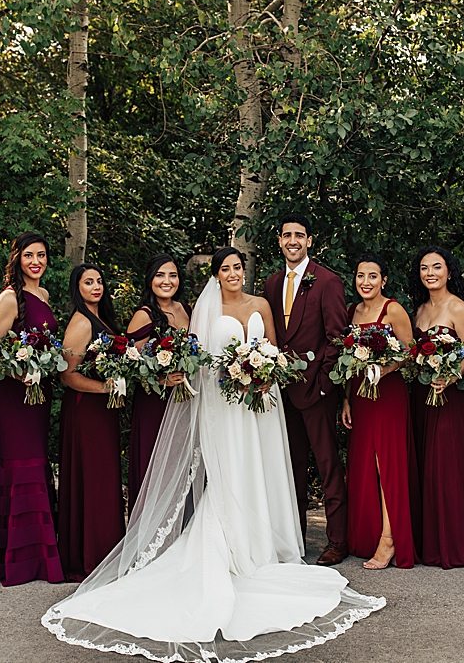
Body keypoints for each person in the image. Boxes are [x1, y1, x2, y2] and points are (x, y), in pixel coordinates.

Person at [42, 247, 385, 661]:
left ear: (245, 271)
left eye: (238, 267)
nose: (233, 273)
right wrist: (234, 375)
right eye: (226, 269)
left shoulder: (261, 303)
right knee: (230, 474)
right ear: (217, 276)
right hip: (224, 406)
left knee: (264, 470)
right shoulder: (204, 309)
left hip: (263, 403)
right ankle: (235, 546)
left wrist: (264, 375)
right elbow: (200, 363)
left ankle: (271, 547)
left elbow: (273, 350)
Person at [262, 214, 351, 566]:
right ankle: (294, 539)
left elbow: (337, 338)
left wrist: (324, 385)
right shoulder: (270, 284)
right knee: (290, 468)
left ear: (309, 241)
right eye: (287, 236)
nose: (293, 241)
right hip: (280, 394)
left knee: (328, 466)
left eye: (300, 235)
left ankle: (338, 541)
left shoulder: (328, 281)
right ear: (280, 241)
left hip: (317, 392)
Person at [0, 232, 64, 586]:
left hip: (39, 393)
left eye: (42, 255)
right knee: (21, 464)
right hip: (15, 395)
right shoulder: (8, 299)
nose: (36, 262)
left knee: (37, 460)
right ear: (17, 258)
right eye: (29, 255)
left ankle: (39, 555)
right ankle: (16, 561)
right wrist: (19, 374)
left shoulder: (43, 294)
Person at [410, 246, 464, 569]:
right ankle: (430, 544)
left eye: (437, 267)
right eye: (425, 268)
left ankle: (455, 546)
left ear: (448, 272)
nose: (430, 273)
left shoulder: (458, 308)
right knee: (427, 465)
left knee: (448, 467)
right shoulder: (418, 311)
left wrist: (451, 376)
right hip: (422, 396)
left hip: (449, 395)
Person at [338, 254, 417, 569]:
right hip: (359, 394)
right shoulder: (351, 311)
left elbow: (410, 352)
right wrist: (345, 399)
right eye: (360, 276)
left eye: (373, 276)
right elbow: (346, 361)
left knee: (387, 465)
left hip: (387, 394)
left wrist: (385, 369)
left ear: (384, 280)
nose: (366, 282)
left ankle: (390, 539)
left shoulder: (393, 310)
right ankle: (369, 534)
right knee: (364, 465)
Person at [56, 263, 127, 582]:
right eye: (88, 282)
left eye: (99, 281)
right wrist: (104, 388)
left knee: (105, 479)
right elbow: (67, 375)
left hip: (104, 411)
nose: (96, 286)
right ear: (78, 288)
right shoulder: (81, 323)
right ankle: (90, 556)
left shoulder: (102, 319)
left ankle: (107, 550)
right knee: (94, 479)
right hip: (87, 410)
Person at [124, 255, 191, 513]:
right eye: (160, 275)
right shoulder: (144, 315)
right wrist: (161, 378)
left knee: (178, 463)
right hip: (155, 402)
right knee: (155, 465)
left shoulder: (186, 309)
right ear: (150, 279)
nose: (167, 281)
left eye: (172, 275)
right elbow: (130, 364)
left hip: (183, 401)